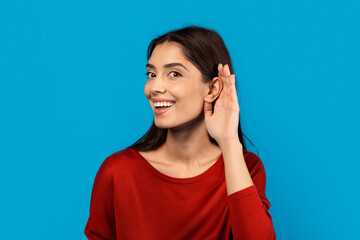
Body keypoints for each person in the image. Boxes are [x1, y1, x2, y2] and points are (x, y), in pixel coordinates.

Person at [84, 26, 276, 240]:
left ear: (212, 89)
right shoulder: (118, 172)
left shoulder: (246, 169)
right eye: (151, 74)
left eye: (174, 74)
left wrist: (229, 142)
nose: (154, 87)